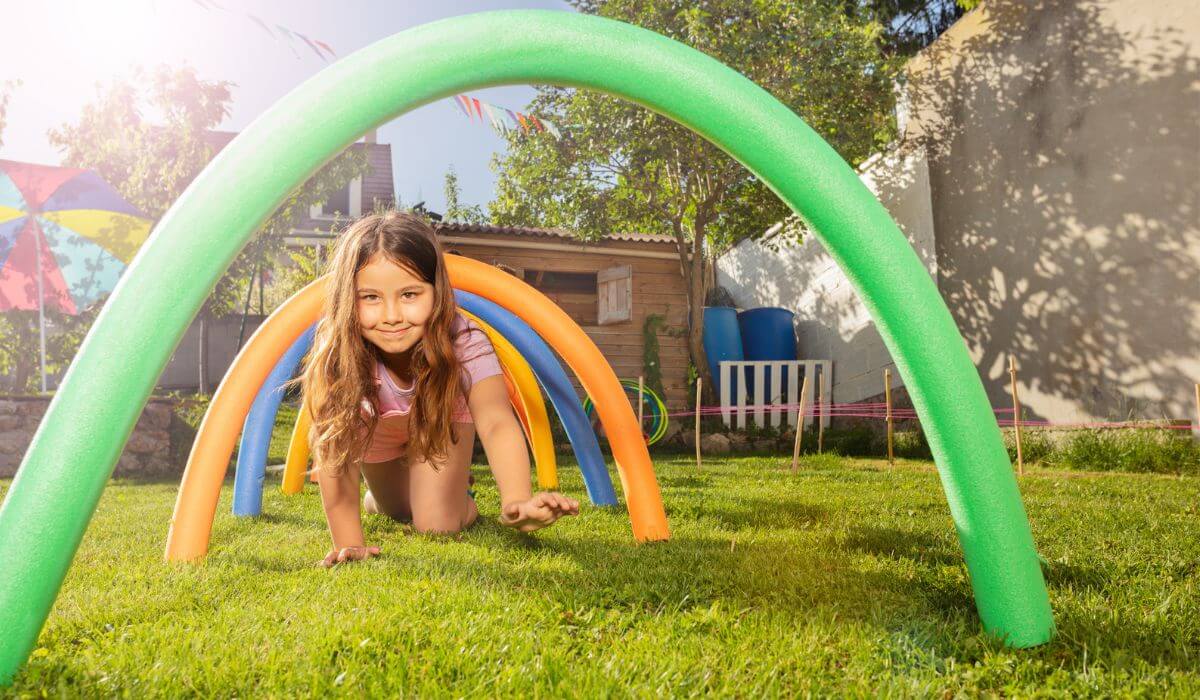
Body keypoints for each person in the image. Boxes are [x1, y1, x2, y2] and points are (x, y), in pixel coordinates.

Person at [294, 210, 579, 568]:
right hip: (377, 427)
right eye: (370, 298)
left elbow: (495, 421)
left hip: (439, 417)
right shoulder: (339, 351)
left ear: (436, 290)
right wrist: (350, 543)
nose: (392, 315)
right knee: (396, 510)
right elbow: (334, 448)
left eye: (410, 294)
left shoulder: (464, 341)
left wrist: (517, 500)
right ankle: (385, 496)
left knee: (436, 525)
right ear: (348, 298)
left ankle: (461, 498)